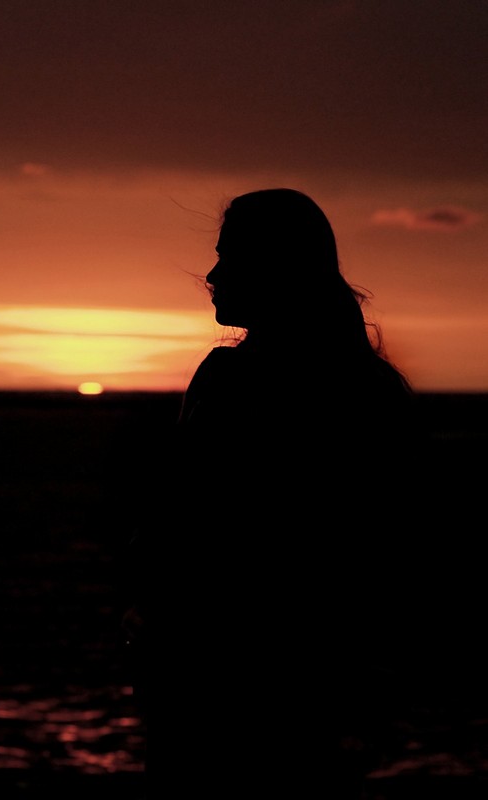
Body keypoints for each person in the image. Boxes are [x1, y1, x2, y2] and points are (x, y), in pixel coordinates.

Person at [126, 188, 426, 797]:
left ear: (277, 268)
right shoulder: (370, 389)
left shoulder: (232, 382)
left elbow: (187, 525)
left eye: (229, 257)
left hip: (224, 673)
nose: (212, 276)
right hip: (309, 678)